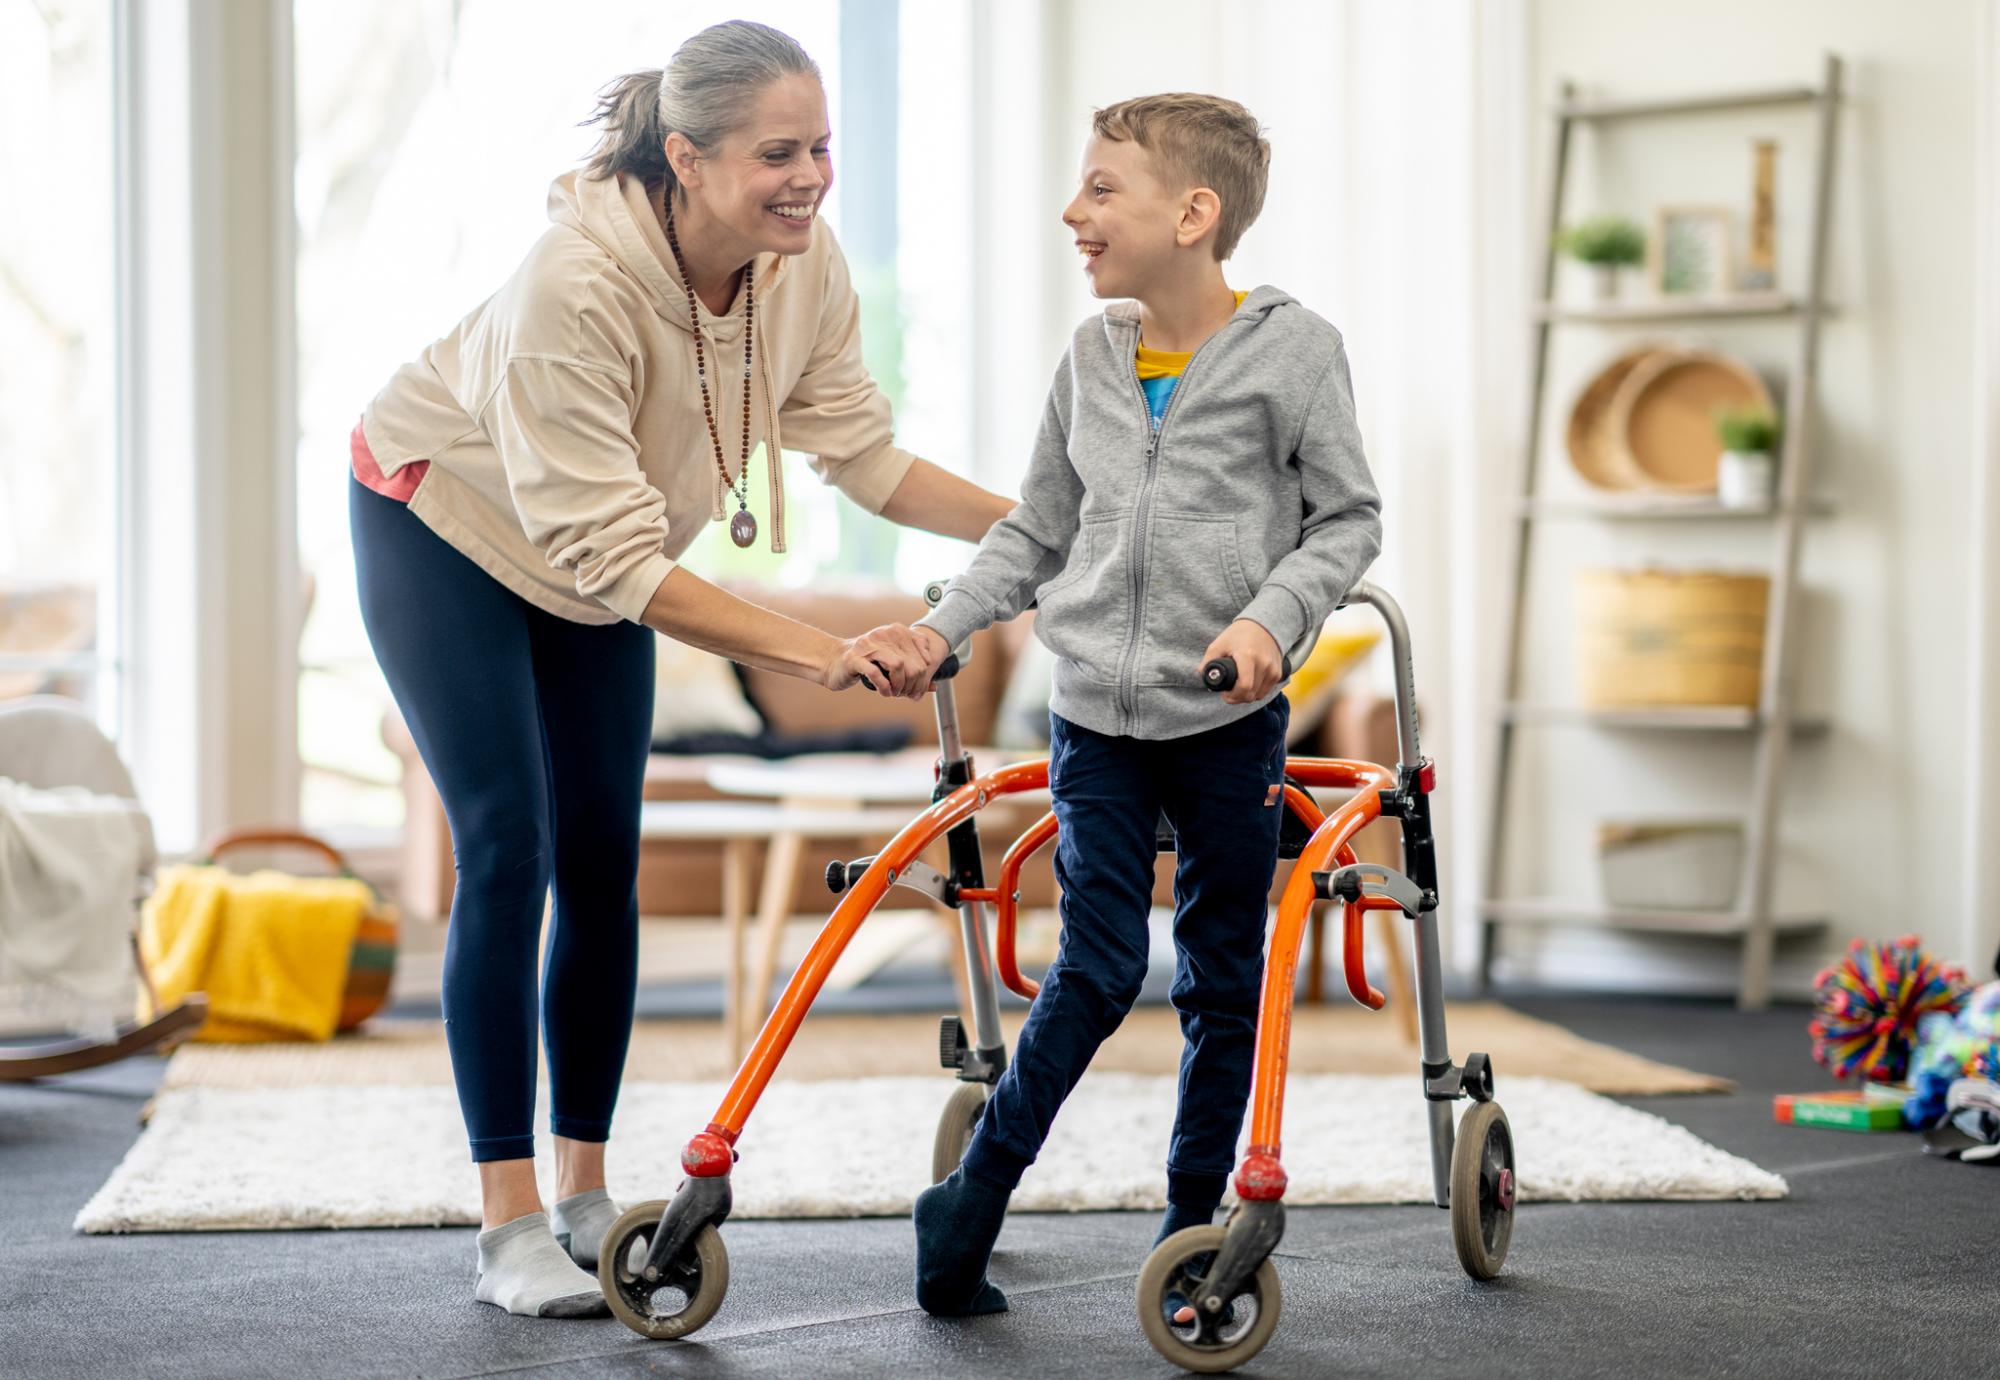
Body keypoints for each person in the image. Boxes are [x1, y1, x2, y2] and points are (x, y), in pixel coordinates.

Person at [348, 20, 1012, 1318]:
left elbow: (866, 459)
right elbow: (620, 567)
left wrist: (1045, 519)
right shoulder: (572, 289)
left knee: (606, 852)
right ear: (687, 156)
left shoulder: (799, 266)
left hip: (594, 560)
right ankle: (506, 1229)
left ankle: (587, 1192)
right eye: (778, 153)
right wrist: (828, 654)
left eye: (821, 145)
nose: (810, 175)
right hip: (442, 524)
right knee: (508, 843)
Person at [898, 92, 1383, 1316]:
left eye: (1101, 187)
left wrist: (1268, 624)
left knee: (1220, 980)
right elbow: (1037, 529)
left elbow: (1347, 521)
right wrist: (941, 628)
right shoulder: (1089, 355)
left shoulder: (1296, 352)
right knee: (1100, 967)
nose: (1076, 209)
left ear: (1192, 213)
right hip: (1095, 723)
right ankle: (971, 1196)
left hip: (1225, 725)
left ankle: (1188, 1231)